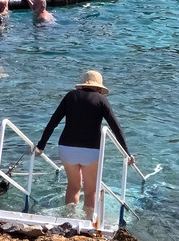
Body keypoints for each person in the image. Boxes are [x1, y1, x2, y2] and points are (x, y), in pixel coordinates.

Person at [33, 70, 131, 220]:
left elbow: (53, 122)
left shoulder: (70, 96)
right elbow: (116, 127)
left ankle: (69, 219)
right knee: (91, 191)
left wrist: (41, 145)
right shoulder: (101, 100)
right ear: (98, 87)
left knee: (73, 186)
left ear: (83, 84)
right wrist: (127, 153)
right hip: (91, 151)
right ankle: (88, 221)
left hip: (67, 148)